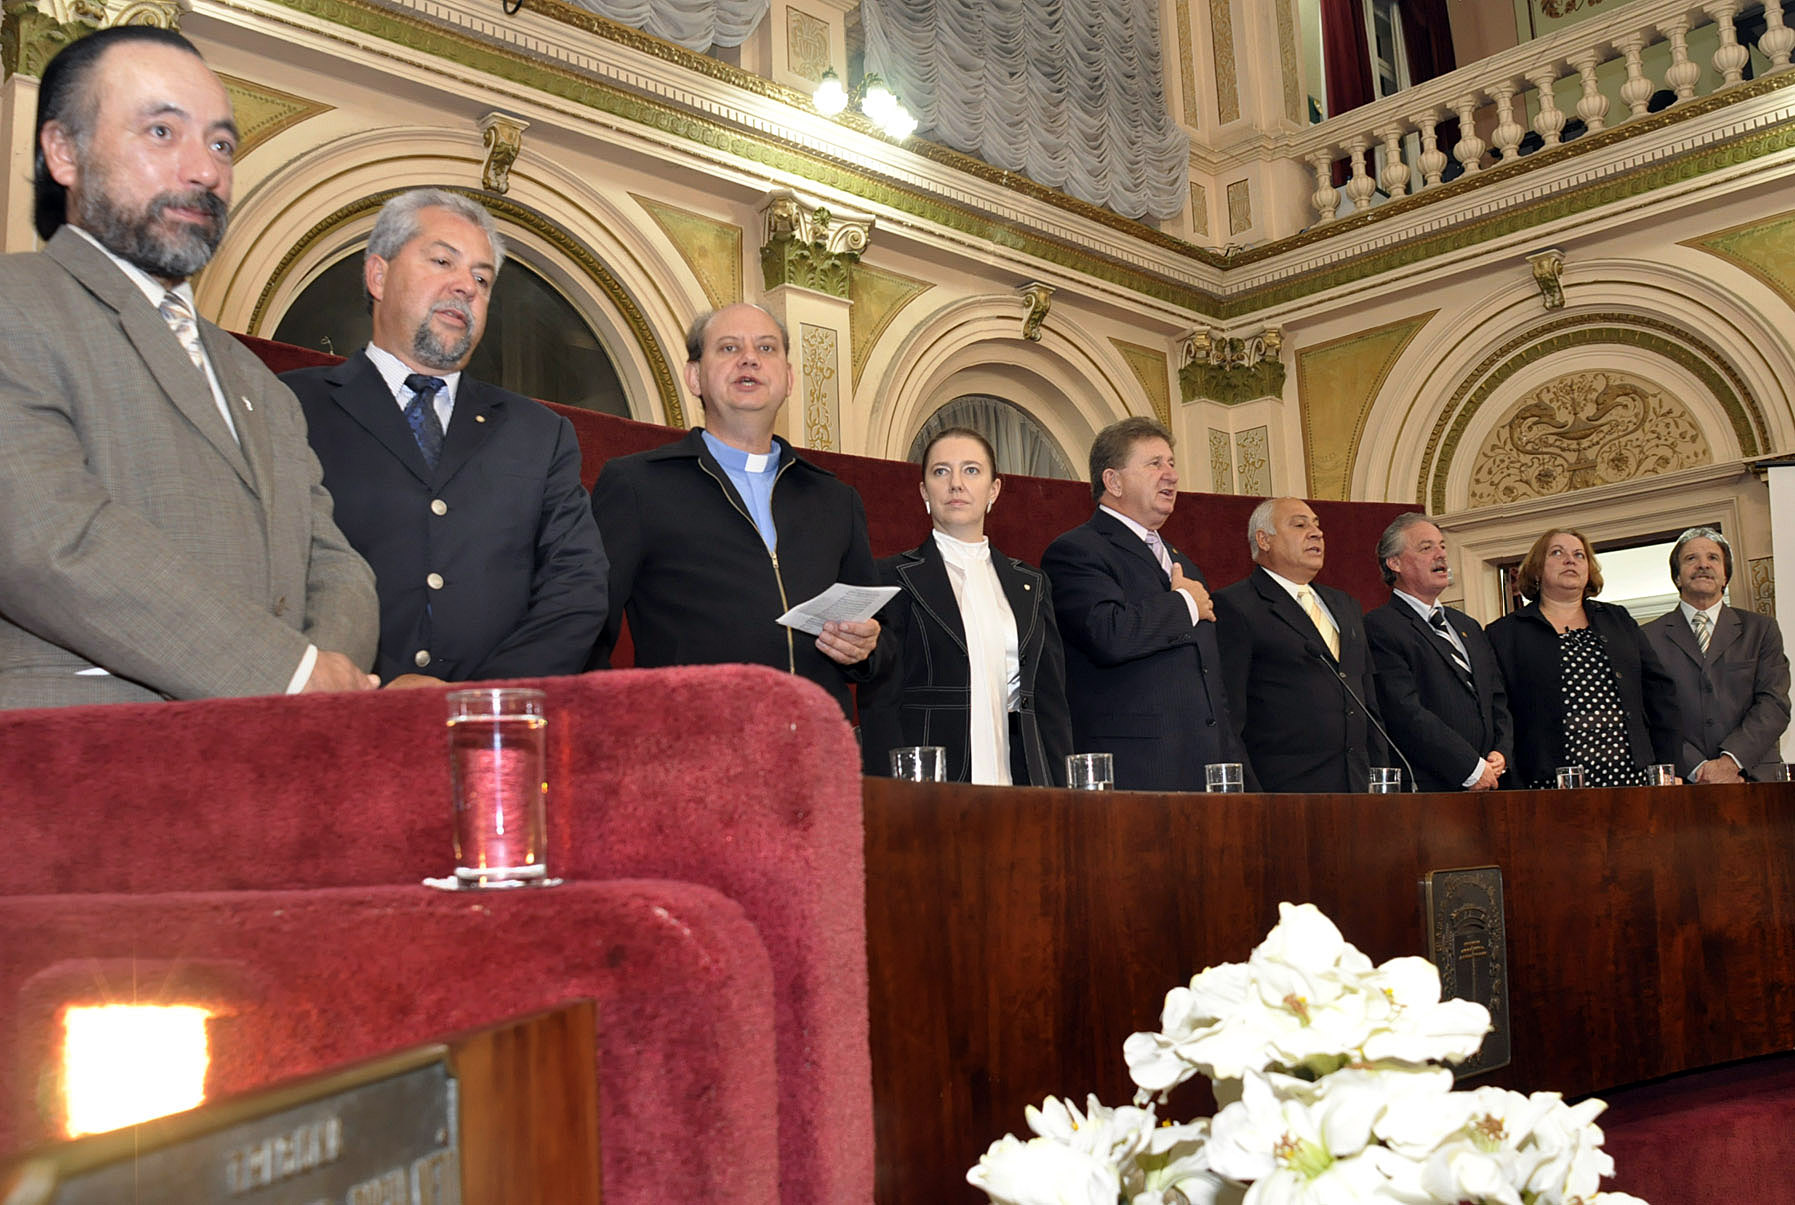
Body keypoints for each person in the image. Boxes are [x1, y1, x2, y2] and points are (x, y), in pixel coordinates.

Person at [0, 26, 378, 709]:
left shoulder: (258, 381)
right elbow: (45, 538)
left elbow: (337, 565)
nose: (205, 170)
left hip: (280, 760)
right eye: (162, 132)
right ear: (63, 150)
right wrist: (290, 673)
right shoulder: (16, 304)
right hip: (79, 770)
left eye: (221, 144)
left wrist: (330, 680)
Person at [282, 190, 606, 686]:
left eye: (481, 278)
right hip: (338, 720)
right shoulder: (290, 407)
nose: (466, 287)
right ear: (378, 275)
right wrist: (371, 688)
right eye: (442, 261)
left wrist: (477, 701)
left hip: (496, 726)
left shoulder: (539, 433)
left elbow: (576, 589)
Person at [588, 302, 880, 714]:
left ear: (789, 378)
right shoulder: (638, 485)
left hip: (819, 748)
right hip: (695, 747)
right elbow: (587, 627)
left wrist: (867, 645)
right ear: (694, 377)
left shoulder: (835, 499)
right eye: (728, 348)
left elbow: (882, 640)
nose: (749, 358)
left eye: (766, 348)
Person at [861, 428, 1073, 785]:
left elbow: (1050, 701)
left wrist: (1061, 788)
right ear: (924, 492)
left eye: (971, 470)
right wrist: (889, 786)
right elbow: (879, 695)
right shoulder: (889, 576)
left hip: (1022, 775)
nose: (956, 484)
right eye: (941, 471)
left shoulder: (1032, 584)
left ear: (994, 490)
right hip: (930, 781)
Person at [1040, 417, 1241, 791]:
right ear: (1113, 481)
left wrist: (1232, 762)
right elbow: (1108, 634)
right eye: (1154, 464)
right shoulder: (1076, 551)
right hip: (1135, 773)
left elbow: (1210, 678)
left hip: (1208, 770)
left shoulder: (1184, 562)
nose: (1171, 475)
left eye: (1171, 463)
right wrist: (1184, 604)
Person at [1213, 497, 1389, 792]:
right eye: (1299, 524)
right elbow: (1229, 715)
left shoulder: (1345, 605)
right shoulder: (1236, 605)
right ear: (1263, 540)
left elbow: (1369, 702)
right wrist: (1252, 797)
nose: (1316, 532)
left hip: (1357, 788)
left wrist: (1379, 779)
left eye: (1317, 525)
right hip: (1286, 792)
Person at [1486, 529, 1681, 789]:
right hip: (1548, 782)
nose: (1571, 560)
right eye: (1557, 553)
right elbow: (1500, 711)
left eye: (1579, 555)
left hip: (1631, 777)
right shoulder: (1504, 633)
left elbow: (1660, 695)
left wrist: (1670, 767)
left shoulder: (1618, 620)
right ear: (1536, 568)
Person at [1364, 513, 1513, 792]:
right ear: (1394, 563)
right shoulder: (1380, 626)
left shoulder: (1466, 625)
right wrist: (1470, 767)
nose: (1440, 555)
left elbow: (1496, 697)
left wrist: (1500, 754)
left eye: (1442, 546)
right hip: (1431, 789)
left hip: (1491, 782)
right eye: (1426, 547)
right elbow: (1404, 712)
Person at [1641, 526, 1790, 782]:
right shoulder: (1646, 637)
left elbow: (1774, 704)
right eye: (1691, 559)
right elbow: (1647, 712)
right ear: (1677, 577)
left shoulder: (1761, 629)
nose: (1702, 565)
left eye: (1713, 558)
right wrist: (1698, 768)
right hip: (1681, 782)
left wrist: (1730, 761)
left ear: (1725, 576)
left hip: (1753, 779)